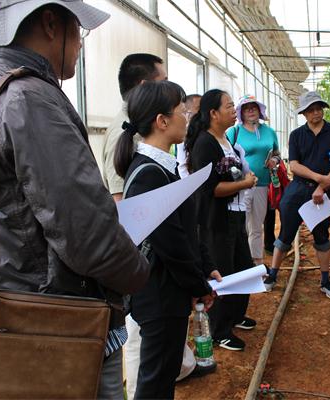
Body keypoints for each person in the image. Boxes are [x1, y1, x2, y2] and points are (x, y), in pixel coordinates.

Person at [0, 1, 151, 397]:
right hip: (58, 321)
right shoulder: (31, 97)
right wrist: (140, 273)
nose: (80, 44)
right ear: (50, 23)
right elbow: (85, 235)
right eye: (79, 30)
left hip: (13, 309)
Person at [113, 80, 218, 399]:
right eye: (182, 110)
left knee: (162, 375)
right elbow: (170, 244)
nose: (188, 116)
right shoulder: (149, 174)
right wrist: (198, 285)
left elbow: (183, 230)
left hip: (164, 291)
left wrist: (205, 267)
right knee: (155, 382)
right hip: (159, 294)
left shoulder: (157, 169)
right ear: (162, 121)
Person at [185, 89, 258, 351]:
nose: (233, 111)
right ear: (213, 113)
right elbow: (211, 189)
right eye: (228, 107)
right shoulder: (205, 143)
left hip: (235, 216)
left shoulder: (226, 139)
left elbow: (233, 175)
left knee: (243, 267)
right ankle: (218, 330)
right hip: (216, 220)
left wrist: (245, 181)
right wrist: (245, 184)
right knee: (223, 273)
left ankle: (235, 315)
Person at [264, 91, 330, 299]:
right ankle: (272, 275)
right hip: (299, 188)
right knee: (286, 232)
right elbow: (294, 165)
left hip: (323, 190)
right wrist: (320, 178)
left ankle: (326, 280)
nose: (316, 113)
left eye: (319, 108)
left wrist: (323, 185)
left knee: (321, 235)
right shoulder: (297, 135)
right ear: (304, 114)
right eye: (311, 110)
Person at [102, 53, 167, 201]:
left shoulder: (141, 124)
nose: (168, 89)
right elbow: (120, 202)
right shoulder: (123, 132)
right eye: (164, 83)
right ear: (144, 87)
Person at [226, 95, 280, 266]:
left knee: (256, 227)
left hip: (261, 185)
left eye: (254, 107)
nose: (250, 110)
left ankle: (256, 264)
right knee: (240, 227)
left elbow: (277, 153)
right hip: (239, 187)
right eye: (246, 108)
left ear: (259, 110)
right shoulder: (234, 132)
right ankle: (240, 264)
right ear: (241, 112)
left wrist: (275, 161)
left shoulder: (269, 132)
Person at [176, 94, 202, 178]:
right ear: (187, 112)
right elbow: (182, 166)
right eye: (199, 108)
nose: (203, 112)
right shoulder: (184, 134)